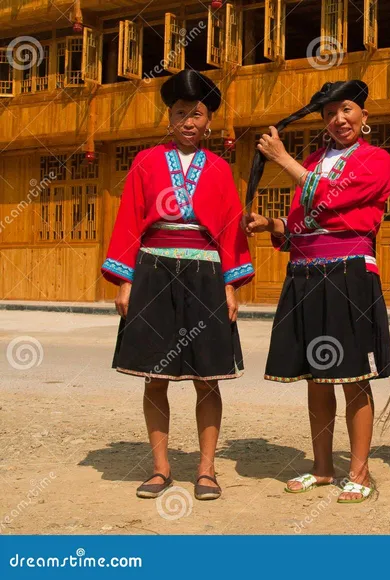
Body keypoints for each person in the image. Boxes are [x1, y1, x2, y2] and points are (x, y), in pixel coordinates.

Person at [102, 69, 254, 501]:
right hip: (153, 268)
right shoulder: (146, 161)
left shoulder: (222, 169)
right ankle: (161, 467)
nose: (189, 121)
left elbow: (229, 229)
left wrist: (230, 285)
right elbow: (130, 217)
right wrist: (125, 280)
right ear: (169, 117)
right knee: (155, 376)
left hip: (205, 273)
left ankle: (206, 470)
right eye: (181, 112)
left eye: (198, 114)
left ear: (209, 122)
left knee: (209, 377)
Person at [242, 80, 390, 504]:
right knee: (316, 375)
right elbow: (302, 225)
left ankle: (359, 472)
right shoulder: (313, 160)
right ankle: (323, 467)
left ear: (365, 117)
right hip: (305, 273)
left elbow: (332, 200)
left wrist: (282, 158)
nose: (339, 119)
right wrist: (271, 225)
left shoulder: (375, 160)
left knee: (353, 377)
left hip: (348, 274)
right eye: (329, 114)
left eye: (347, 110)